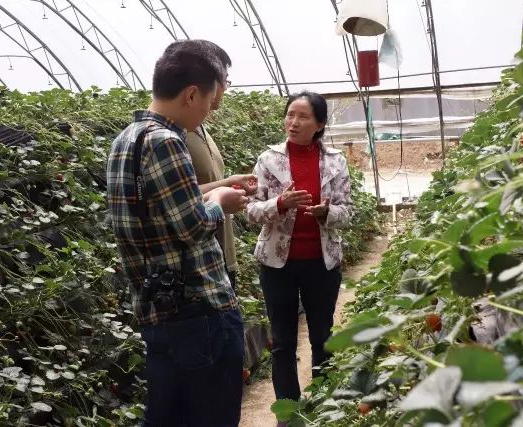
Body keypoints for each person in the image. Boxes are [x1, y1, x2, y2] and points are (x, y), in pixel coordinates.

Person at [107, 40, 246, 427]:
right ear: (190, 94)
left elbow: (156, 208)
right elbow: (194, 225)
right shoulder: (168, 141)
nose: (208, 110)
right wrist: (222, 201)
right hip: (198, 311)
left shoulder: (126, 140)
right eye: (209, 99)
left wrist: (214, 188)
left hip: (157, 308)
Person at [246, 91, 353, 402]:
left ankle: (322, 404)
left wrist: (326, 213)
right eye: (290, 114)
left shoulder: (335, 161)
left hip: (322, 263)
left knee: (322, 337)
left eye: (303, 116)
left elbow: (348, 211)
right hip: (278, 265)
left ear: (319, 124)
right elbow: (250, 211)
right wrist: (279, 203)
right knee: (282, 341)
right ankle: (288, 410)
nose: (293, 122)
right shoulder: (268, 160)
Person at [184, 41, 257, 290]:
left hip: (220, 253)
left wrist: (227, 183)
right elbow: (180, 202)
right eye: (224, 79)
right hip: (198, 266)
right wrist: (220, 197)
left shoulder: (201, 127)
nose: (225, 88)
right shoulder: (171, 137)